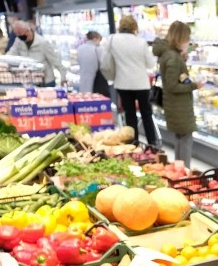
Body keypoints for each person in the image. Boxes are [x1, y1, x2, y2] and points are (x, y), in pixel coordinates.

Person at [152, 21, 202, 168]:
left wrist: (183, 58)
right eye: (187, 38)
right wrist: (194, 86)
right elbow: (172, 85)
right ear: (180, 38)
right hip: (179, 106)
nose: (188, 42)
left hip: (175, 106)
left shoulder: (171, 54)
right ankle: (184, 172)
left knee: (181, 139)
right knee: (185, 140)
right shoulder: (173, 58)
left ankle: (179, 170)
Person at [102, 16, 158, 146]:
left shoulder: (112, 40)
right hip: (141, 83)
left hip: (122, 83)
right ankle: (152, 144)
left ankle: (134, 143)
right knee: (146, 114)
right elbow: (150, 64)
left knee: (130, 114)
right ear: (135, 27)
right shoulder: (141, 42)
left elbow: (105, 61)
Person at [6, 20, 67, 87]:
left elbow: (55, 61)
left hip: (46, 81)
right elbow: (11, 53)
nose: (18, 36)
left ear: (28, 30)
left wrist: (63, 77)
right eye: (16, 34)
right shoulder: (18, 41)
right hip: (29, 81)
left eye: (20, 33)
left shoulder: (42, 43)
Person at [76, 31, 109, 96]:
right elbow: (104, 64)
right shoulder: (98, 49)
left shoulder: (80, 48)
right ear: (95, 39)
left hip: (83, 78)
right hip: (97, 81)